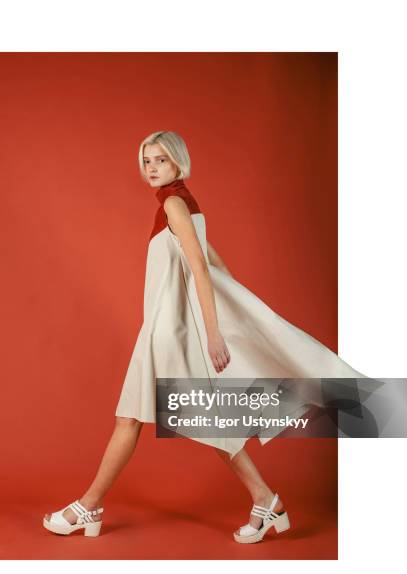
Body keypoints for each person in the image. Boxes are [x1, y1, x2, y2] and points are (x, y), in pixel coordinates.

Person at [43, 130, 365, 544]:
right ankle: (266, 501)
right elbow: (214, 262)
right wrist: (235, 308)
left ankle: (88, 507)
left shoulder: (175, 204)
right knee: (200, 418)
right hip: (167, 331)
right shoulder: (184, 204)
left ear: (178, 161)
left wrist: (215, 333)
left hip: (168, 333)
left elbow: (199, 267)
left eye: (160, 159)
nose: (152, 168)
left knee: (134, 418)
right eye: (146, 161)